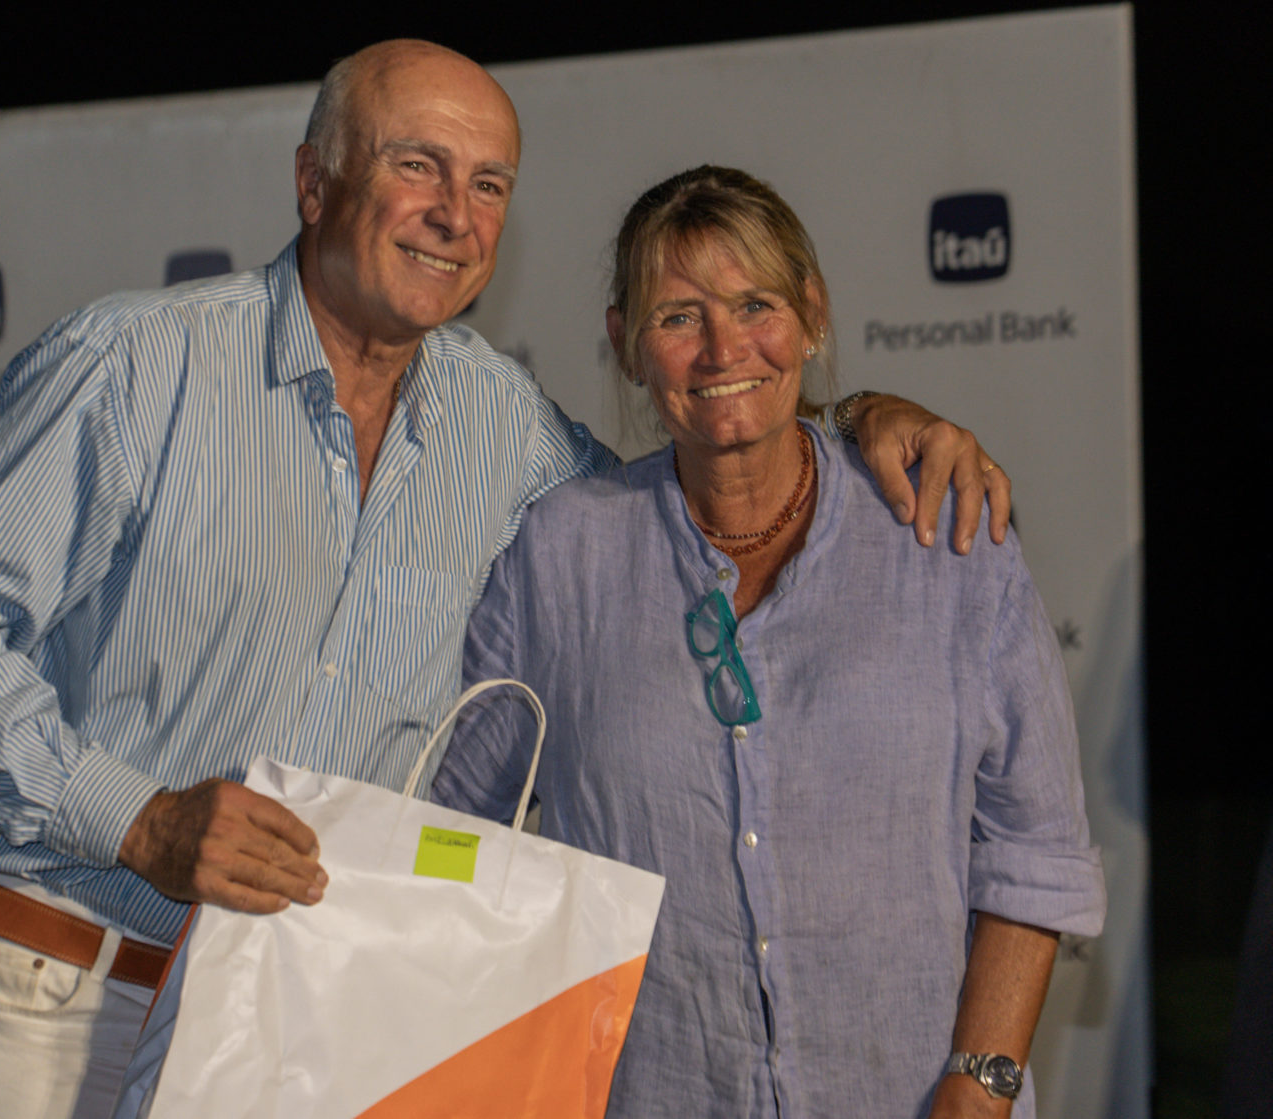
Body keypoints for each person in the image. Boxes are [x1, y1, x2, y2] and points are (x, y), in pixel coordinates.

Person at [0, 43, 1011, 1119]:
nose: (456, 213)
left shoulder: (505, 427)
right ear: (315, 184)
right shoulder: (137, 366)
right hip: (68, 998)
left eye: (489, 183)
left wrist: (860, 418)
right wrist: (138, 819)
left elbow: (692, 483)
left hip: (305, 1020)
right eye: (418, 166)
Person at [432, 165, 1105, 1119]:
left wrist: (982, 1080)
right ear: (626, 344)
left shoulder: (945, 535)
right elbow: (455, 826)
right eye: (678, 317)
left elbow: (1035, 850)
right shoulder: (560, 556)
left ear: (812, 314)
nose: (723, 349)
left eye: (756, 305)